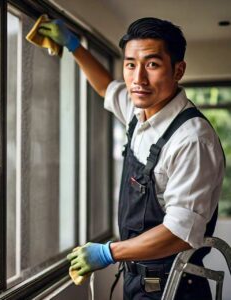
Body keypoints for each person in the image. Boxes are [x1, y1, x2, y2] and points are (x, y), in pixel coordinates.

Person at [38, 17, 225, 299]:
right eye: (130, 64)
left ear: (178, 70)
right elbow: (106, 87)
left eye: (152, 64)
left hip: (173, 289)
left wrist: (107, 252)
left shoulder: (192, 139)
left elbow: (179, 233)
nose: (138, 79)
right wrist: (74, 45)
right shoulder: (139, 113)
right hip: (137, 282)